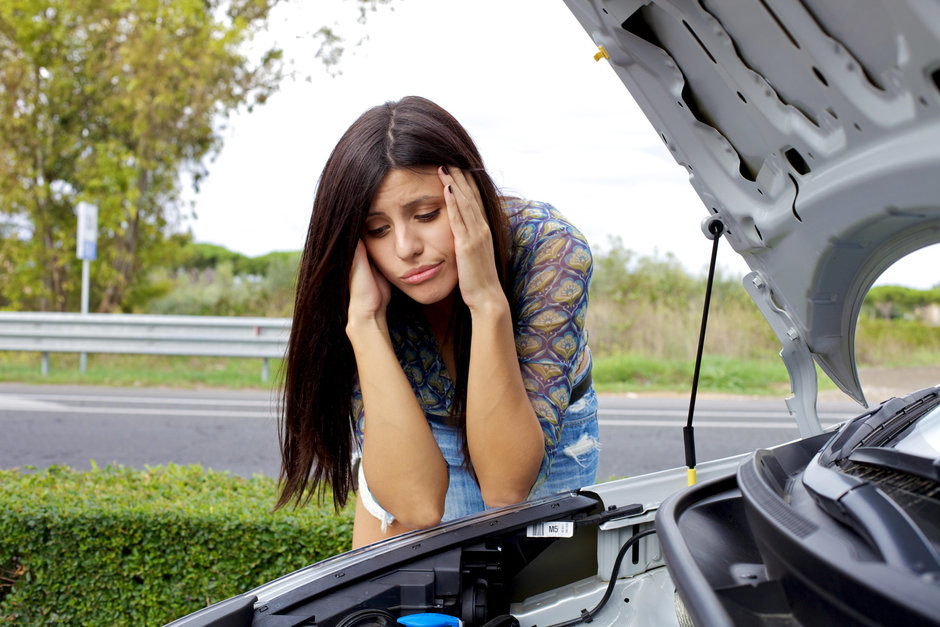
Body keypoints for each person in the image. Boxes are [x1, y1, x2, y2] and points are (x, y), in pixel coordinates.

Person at [276, 96, 598, 548]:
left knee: (535, 602)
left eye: (426, 214)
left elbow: (507, 489)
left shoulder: (548, 248)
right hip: (412, 432)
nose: (406, 247)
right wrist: (365, 324)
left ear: (470, 196)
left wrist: (487, 301)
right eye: (377, 229)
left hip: (537, 431)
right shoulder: (358, 279)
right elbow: (417, 506)